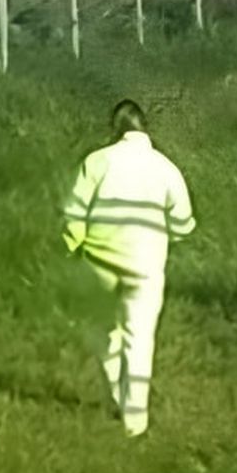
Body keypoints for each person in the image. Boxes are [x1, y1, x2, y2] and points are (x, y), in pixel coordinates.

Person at [62, 99, 196, 438]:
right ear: (144, 129)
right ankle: (134, 421)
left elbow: (73, 214)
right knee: (139, 338)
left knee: (101, 331)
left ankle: (117, 396)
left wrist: (72, 248)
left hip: (99, 263)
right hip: (145, 266)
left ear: (115, 128)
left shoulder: (96, 161)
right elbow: (183, 223)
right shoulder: (166, 168)